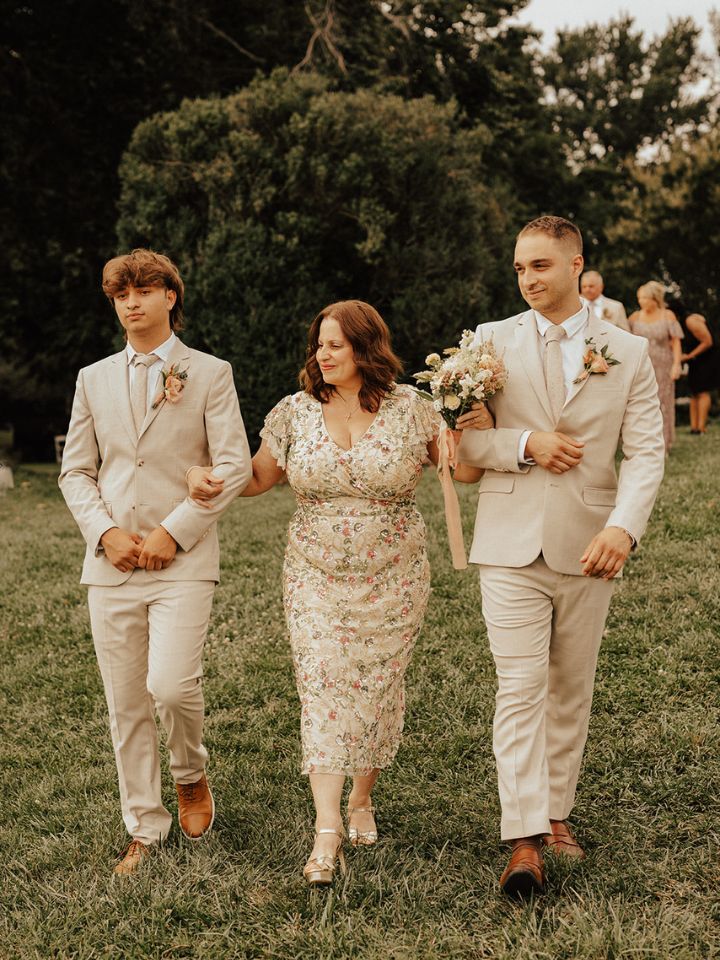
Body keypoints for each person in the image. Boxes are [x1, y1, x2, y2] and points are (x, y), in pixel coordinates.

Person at [187, 300, 488, 887]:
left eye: (334, 345)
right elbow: (254, 479)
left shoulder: (413, 410)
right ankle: (327, 827)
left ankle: (361, 799)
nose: (321, 355)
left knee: (376, 688)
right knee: (324, 683)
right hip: (314, 575)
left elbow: (466, 475)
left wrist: (471, 425)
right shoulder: (294, 413)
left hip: (395, 576)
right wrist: (204, 475)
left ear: (365, 349)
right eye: (318, 345)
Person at [458, 216, 665, 899]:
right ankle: (522, 838)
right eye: (519, 268)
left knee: (571, 687)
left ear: (578, 263)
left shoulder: (626, 351)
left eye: (541, 265)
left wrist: (623, 529)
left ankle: (556, 812)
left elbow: (646, 452)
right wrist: (526, 445)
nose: (528, 279)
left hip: (589, 544)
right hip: (509, 543)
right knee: (520, 688)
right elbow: (465, 451)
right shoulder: (487, 344)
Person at [59, 249, 252, 875]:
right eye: (121, 294)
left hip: (183, 561)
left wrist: (175, 530)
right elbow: (77, 470)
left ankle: (190, 773)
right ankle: (144, 825)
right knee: (126, 701)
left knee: (170, 686)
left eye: (144, 290)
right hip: (111, 563)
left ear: (172, 295)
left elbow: (235, 465)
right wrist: (104, 533)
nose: (132, 302)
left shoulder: (210, 373)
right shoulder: (92, 377)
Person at [628, 282, 684, 452]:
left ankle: (664, 444)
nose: (642, 301)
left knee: (663, 403)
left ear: (655, 299)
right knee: (641, 403)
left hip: (663, 365)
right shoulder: (634, 318)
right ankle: (642, 443)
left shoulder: (668, 316)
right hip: (641, 365)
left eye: (645, 298)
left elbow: (675, 342)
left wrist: (676, 364)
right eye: (640, 298)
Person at [679, 309, 717, 434]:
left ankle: (701, 428)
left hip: (707, 360)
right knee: (694, 393)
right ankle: (693, 428)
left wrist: (689, 356)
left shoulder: (690, 320)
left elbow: (708, 341)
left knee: (702, 392)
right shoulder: (681, 324)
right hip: (695, 362)